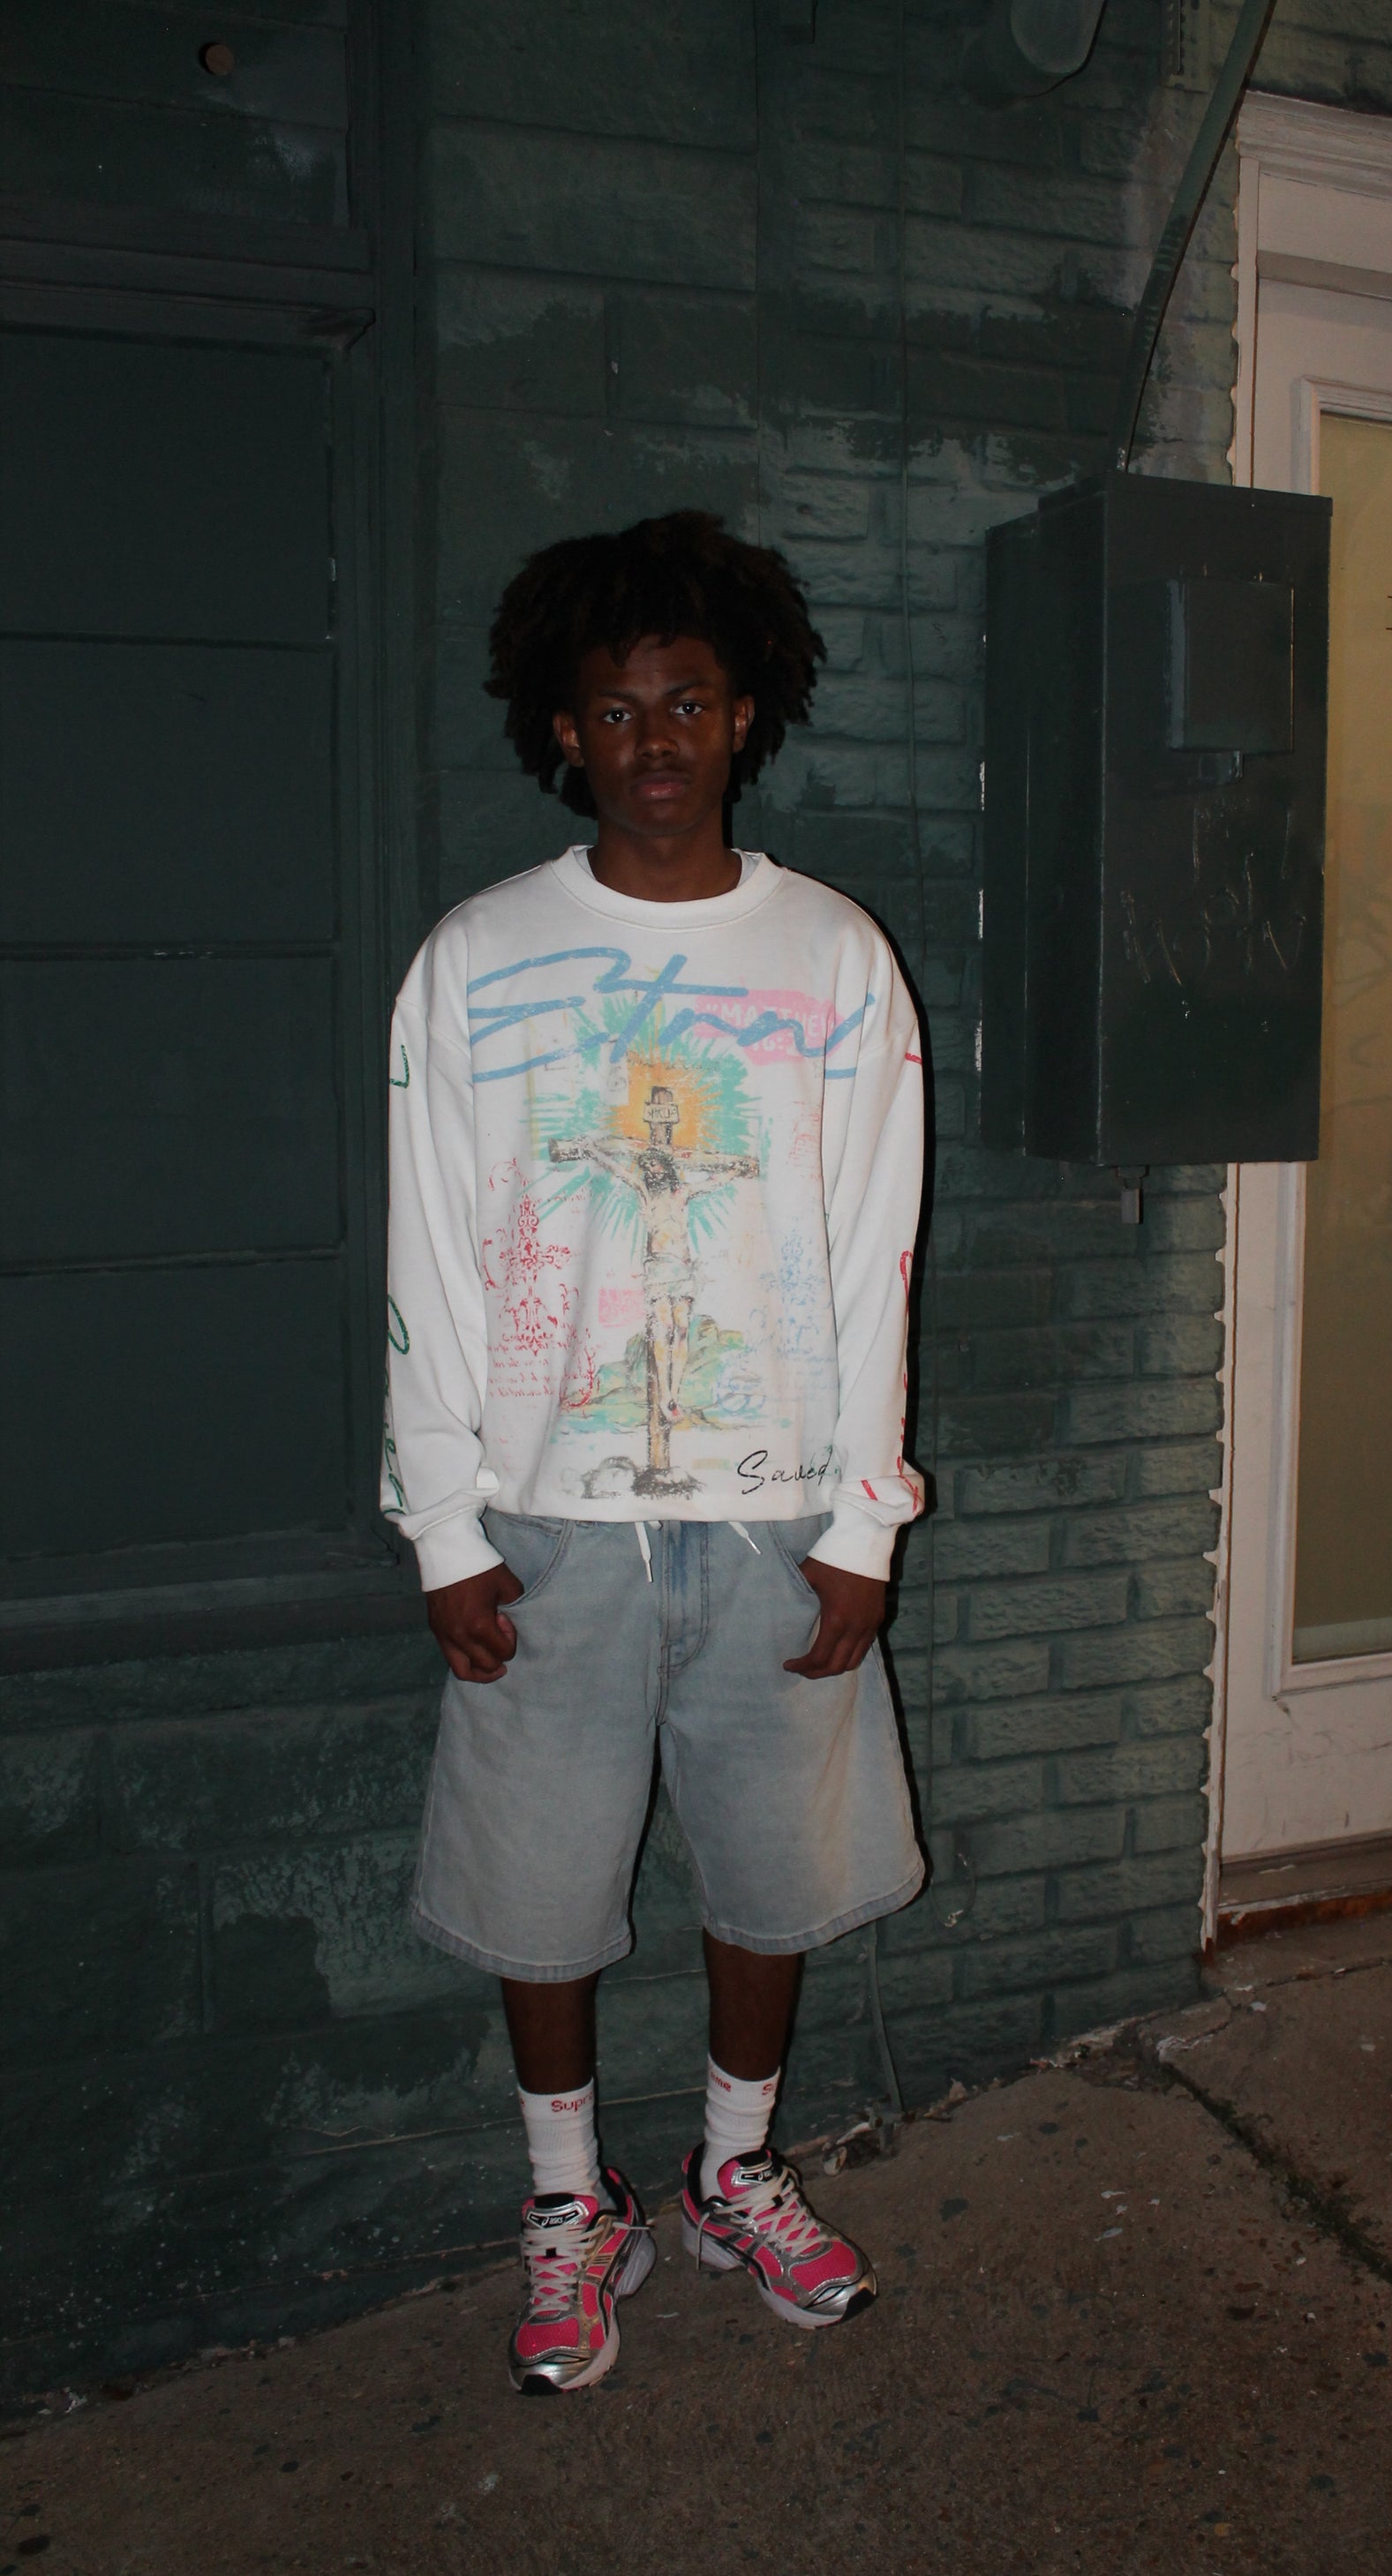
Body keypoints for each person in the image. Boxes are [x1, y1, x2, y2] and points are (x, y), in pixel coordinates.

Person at [383, 509, 926, 2393]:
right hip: (547, 1519)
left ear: (743, 709)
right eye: (614, 711)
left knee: (770, 1874)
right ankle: (566, 2202)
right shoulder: (478, 956)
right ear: (563, 733)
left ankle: (731, 2171)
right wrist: (442, 1522)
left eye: (687, 700)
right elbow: (428, 1251)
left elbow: (878, 1247)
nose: (656, 739)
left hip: (777, 1515)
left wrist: (863, 1517)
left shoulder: (832, 954)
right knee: (539, 1890)